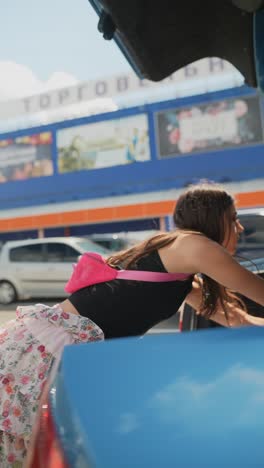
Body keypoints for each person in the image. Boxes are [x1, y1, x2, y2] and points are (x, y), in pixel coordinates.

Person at [1, 183, 264, 467]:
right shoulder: (193, 245)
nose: (239, 228)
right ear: (215, 218)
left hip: (66, 350)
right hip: (50, 350)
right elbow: (258, 291)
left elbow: (238, 319)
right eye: (233, 218)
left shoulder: (182, 267)